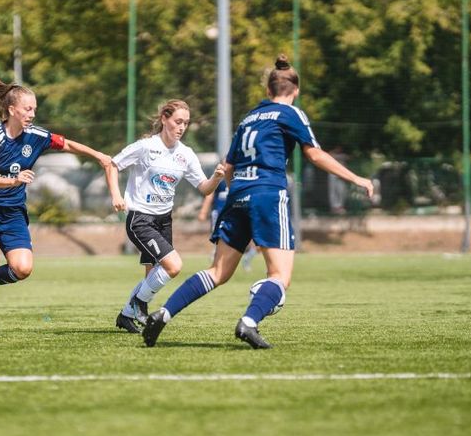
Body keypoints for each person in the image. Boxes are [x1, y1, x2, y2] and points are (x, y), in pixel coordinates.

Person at [142, 55, 374, 349]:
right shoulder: (291, 113)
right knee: (279, 276)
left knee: (217, 272)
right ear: (296, 90)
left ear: (268, 90)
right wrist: (356, 178)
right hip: (268, 195)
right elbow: (314, 154)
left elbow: (227, 166)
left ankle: (163, 313)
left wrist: (238, 196)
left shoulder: (249, 118)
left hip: (237, 195)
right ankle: (249, 322)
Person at [0, 64, 112, 337]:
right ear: (12, 109)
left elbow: (67, 144)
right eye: (28, 109)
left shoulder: (35, 135)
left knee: (22, 269)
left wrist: (98, 155)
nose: (32, 114)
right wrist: (14, 181)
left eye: (34, 109)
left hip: (13, 213)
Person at [105, 99, 225, 334]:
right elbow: (112, 165)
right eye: (178, 121)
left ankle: (126, 315)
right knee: (174, 266)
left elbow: (204, 188)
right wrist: (116, 196)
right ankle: (138, 304)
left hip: (164, 220)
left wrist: (217, 178)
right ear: (164, 119)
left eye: (186, 123)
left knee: (153, 274)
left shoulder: (185, 154)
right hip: (141, 218)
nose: (182, 127)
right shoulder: (146, 147)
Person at [197, 181, 257, 271]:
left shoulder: (242, 179)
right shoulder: (219, 178)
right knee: (219, 238)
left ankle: (246, 258)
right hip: (219, 213)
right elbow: (210, 195)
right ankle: (216, 262)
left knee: (249, 241)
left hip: (236, 214)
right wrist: (203, 211)